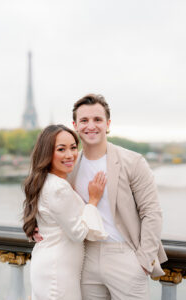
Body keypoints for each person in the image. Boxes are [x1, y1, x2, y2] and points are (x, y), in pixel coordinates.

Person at [67, 93, 167, 300]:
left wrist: (143, 261)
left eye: (97, 119)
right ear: (75, 125)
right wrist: (35, 227)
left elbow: (152, 212)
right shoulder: (69, 165)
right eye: (84, 120)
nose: (90, 126)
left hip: (125, 256)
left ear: (108, 124)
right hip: (85, 257)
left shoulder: (133, 161)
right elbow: (50, 200)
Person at [23, 124, 108, 300]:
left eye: (73, 147)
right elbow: (78, 233)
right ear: (47, 153)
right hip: (58, 270)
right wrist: (93, 200)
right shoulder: (58, 187)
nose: (70, 155)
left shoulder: (46, 181)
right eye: (61, 149)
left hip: (49, 264)